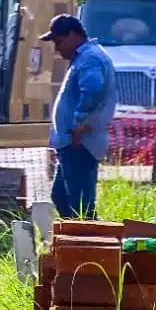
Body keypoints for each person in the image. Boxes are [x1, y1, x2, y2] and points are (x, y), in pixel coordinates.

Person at [43, 14, 117, 217]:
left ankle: (91, 243)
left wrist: (78, 125)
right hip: (72, 142)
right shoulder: (84, 57)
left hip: (80, 142)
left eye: (59, 42)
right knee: (61, 196)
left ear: (74, 35)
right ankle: (75, 241)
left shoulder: (90, 58)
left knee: (81, 206)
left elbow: (92, 90)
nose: (57, 49)